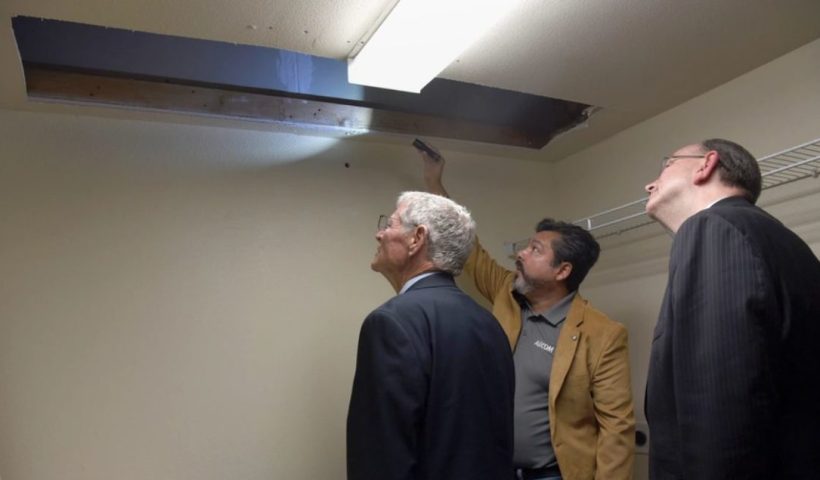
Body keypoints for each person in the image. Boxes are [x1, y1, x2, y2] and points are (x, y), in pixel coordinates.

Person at [419, 147, 635, 480]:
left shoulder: (602, 334)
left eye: (535, 249)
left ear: (562, 270)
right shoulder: (506, 293)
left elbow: (616, 428)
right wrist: (435, 183)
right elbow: (472, 252)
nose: (520, 253)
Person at [644, 138, 820, 479]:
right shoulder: (786, 244)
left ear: (706, 164)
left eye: (667, 165)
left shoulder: (712, 228)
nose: (650, 184)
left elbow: (719, 407)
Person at [347, 191, 515, 480]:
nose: (379, 234)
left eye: (390, 224)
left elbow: (379, 454)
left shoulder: (390, 322)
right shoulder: (488, 323)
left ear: (417, 238)